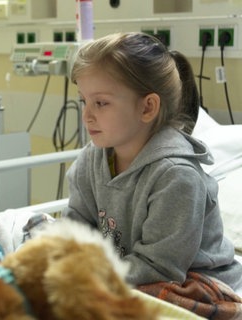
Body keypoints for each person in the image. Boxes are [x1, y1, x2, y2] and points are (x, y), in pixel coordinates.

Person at [63, 32, 242, 316]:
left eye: (101, 103)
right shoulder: (94, 157)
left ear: (147, 107)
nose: (86, 115)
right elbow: (76, 225)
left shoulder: (176, 176)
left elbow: (160, 268)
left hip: (195, 281)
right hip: (129, 268)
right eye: (84, 100)